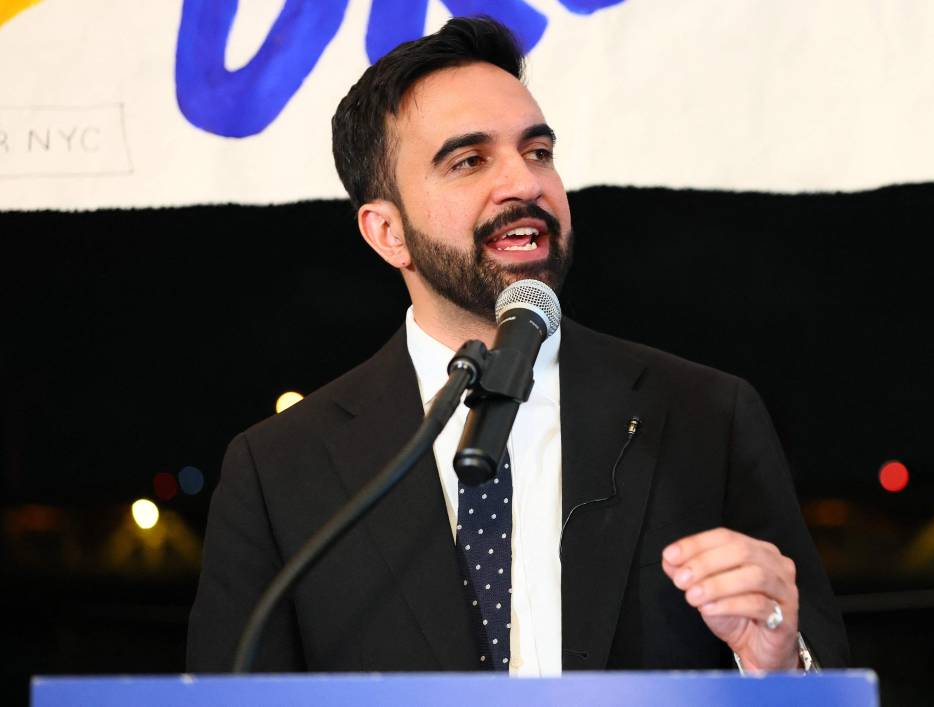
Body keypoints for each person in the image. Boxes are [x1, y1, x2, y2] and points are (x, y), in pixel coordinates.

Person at [187, 16, 848, 675]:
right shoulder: (279, 470)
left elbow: (818, 670)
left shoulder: (707, 416)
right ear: (387, 232)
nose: (526, 184)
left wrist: (778, 663)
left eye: (537, 152)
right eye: (469, 160)